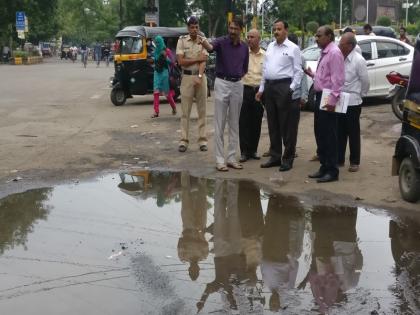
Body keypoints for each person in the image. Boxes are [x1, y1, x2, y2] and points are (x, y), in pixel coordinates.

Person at [200, 17, 249, 172]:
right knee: (220, 123)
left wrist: (238, 77)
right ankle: (220, 160)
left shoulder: (244, 47)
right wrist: (204, 42)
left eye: (235, 29)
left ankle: (232, 158)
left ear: (241, 30)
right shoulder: (221, 42)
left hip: (237, 84)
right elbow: (209, 47)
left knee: (235, 123)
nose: (232, 31)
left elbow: (245, 68)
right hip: (222, 83)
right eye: (231, 28)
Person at [256, 20, 303, 171]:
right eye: (274, 29)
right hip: (269, 87)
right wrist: (262, 89)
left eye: (279, 29)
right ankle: (275, 156)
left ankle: (288, 159)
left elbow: (298, 71)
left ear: (286, 31)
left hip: (284, 86)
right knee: (273, 124)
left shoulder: (293, 48)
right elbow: (265, 69)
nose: (276, 32)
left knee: (287, 125)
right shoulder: (270, 46)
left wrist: (291, 89)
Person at [305, 26, 345, 183]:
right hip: (320, 96)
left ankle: (332, 170)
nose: (316, 38)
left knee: (329, 135)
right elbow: (325, 76)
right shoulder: (325, 52)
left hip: (328, 98)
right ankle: (324, 166)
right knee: (320, 133)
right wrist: (312, 74)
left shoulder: (334, 53)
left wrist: (333, 100)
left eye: (319, 35)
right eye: (316, 35)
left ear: (329, 36)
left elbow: (338, 80)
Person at [337, 32, 369, 173]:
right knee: (340, 131)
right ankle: (339, 159)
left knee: (353, 132)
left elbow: (365, 82)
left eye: (341, 43)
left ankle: (354, 161)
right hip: (340, 100)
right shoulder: (339, 58)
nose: (339, 45)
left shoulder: (358, 60)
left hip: (353, 102)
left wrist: (360, 96)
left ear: (349, 46)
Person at [176, 16, 208, 153]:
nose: (194, 30)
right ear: (188, 28)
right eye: (192, 27)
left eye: (196, 27)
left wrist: (200, 76)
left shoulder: (203, 41)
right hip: (187, 78)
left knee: (202, 111)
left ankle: (202, 141)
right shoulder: (182, 41)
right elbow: (181, 61)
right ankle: (183, 141)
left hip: (200, 77)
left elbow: (204, 60)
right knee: (185, 112)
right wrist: (197, 58)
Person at [239, 29, 265, 163]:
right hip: (244, 89)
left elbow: (266, 74)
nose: (249, 39)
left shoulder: (265, 55)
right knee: (243, 122)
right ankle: (244, 151)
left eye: (252, 37)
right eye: (248, 37)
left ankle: (253, 150)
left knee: (256, 121)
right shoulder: (243, 53)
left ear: (259, 39)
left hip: (259, 92)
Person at [151, 36, 177, 118]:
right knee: (156, 92)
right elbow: (155, 60)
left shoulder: (167, 51)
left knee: (167, 94)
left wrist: (166, 58)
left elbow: (173, 62)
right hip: (156, 73)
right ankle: (156, 111)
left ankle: (174, 107)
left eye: (159, 42)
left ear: (162, 42)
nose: (157, 44)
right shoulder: (155, 51)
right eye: (156, 42)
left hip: (164, 73)